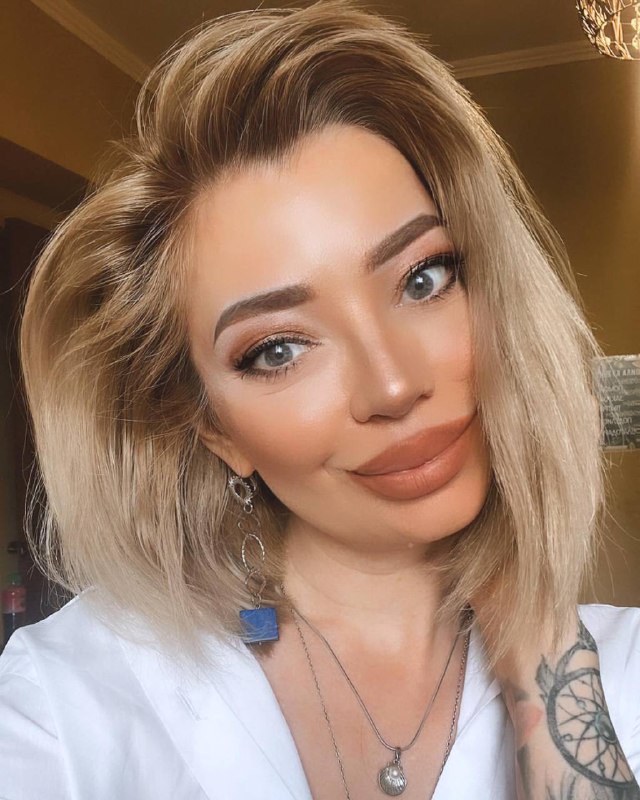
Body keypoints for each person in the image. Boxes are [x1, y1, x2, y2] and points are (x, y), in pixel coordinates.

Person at [1, 0, 639, 797]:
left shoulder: (625, 669)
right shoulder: (66, 707)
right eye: (278, 349)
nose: (393, 385)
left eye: (423, 278)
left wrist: (540, 634)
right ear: (212, 427)